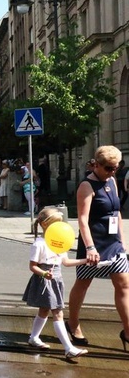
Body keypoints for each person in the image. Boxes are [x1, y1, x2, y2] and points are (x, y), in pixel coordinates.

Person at [67, 145, 129, 351]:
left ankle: (128, 332)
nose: (113, 172)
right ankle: (73, 324)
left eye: (116, 168)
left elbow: (116, 211)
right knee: (83, 283)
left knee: (124, 285)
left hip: (113, 243)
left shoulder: (111, 181)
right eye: (109, 168)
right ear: (97, 165)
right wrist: (90, 247)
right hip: (93, 243)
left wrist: (121, 239)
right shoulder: (87, 186)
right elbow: (82, 221)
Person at [23, 207, 88, 359]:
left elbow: (65, 262)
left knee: (44, 310)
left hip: (56, 280)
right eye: (55, 224)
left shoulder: (59, 242)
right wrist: (44, 273)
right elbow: (32, 266)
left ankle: (33, 338)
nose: (59, 227)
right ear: (45, 225)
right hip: (45, 281)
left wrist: (85, 261)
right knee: (58, 312)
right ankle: (68, 348)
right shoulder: (39, 244)